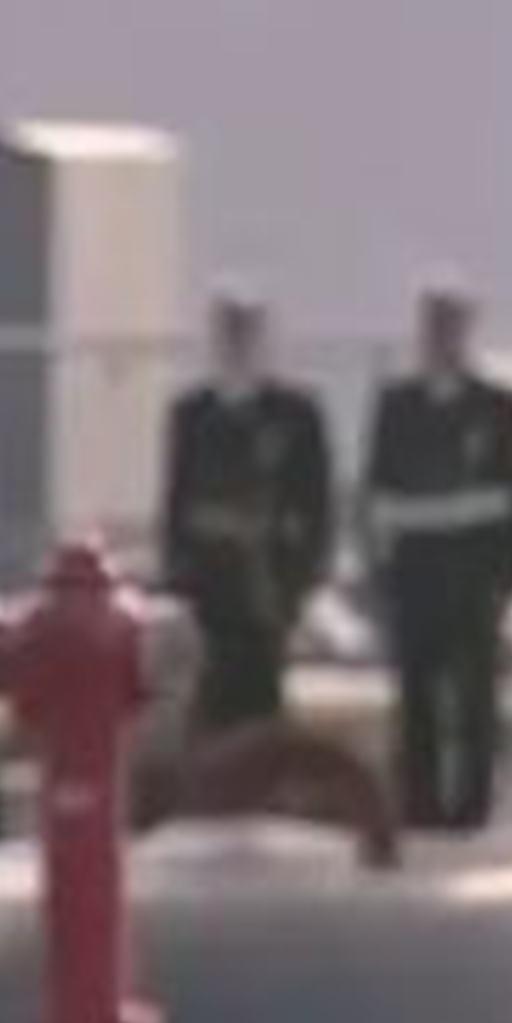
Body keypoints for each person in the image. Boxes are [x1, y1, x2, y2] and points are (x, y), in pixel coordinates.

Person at [361, 282, 512, 830]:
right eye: (434, 323)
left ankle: (472, 805)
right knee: (417, 693)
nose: (442, 335)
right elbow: (378, 493)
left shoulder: (497, 406)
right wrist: (379, 569)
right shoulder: (398, 405)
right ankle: (420, 803)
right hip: (415, 574)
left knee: (475, 694)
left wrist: (510, 574)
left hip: (474, 577)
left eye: (451, 323)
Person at [160, 287, 337, 738]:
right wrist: (176, 573)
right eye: (229, 329)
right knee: (209, 699)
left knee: (261, 700)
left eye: (247, 328)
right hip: (208, 582)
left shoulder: (296, 413)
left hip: (268, 582)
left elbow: (316, 501)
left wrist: (305, 575)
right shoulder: (192, 412)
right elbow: (177, 498)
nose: (238, 340)